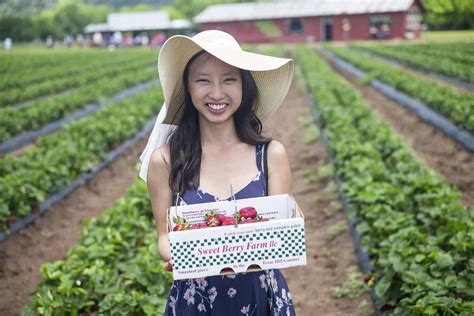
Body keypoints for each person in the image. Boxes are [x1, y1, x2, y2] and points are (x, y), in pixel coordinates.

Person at [139, 30, 295, 315]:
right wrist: (180, 254)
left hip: (261, 295)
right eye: (202, 80)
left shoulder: (271, 156)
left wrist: (288, 230)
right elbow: (163, 235)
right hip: (196, 298)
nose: (216, 93)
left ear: (244, 87)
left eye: (229, 79)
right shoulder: (165, 160)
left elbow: (278, 236)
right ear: (186, 86)